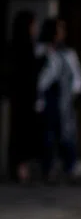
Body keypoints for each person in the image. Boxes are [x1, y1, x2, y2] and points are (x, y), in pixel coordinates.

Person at [37, 17, 81, 183]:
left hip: (64, 99)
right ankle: (48, 168)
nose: (62, 33)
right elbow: (42, 78)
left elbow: (77, 77)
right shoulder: (42, 51)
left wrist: (74, 92)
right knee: (48, 135)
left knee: (67, 135)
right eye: (59, 29)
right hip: (48, 99)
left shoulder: (67, 53)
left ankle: (68, 168)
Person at [5, 11, 43, 183]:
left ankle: (21, 168)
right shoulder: (25, 48)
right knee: (21, 134)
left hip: (22, 97)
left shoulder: (18, 47)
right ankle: (20, 169)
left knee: (21, 134)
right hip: (23, 98)